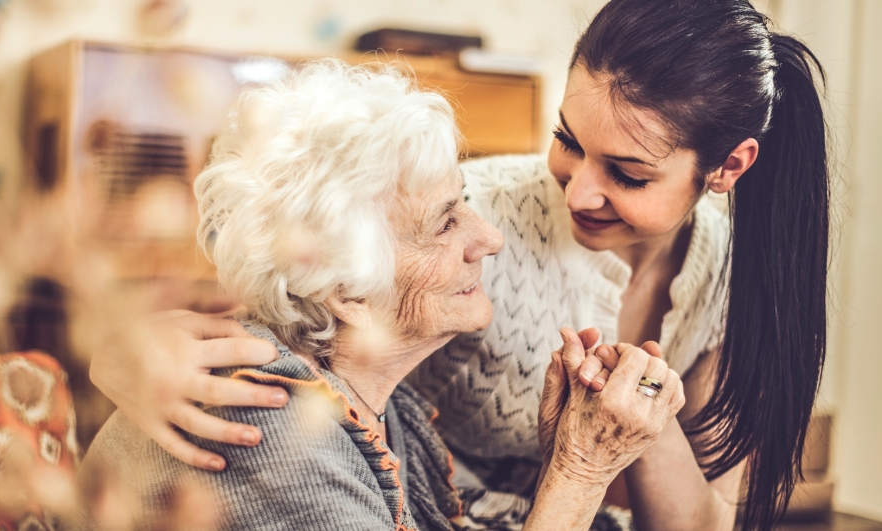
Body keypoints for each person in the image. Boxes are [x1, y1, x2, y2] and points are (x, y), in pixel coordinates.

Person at [89, 0, 831, 529]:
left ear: (726, 169)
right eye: (566, 140)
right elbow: (287, 294)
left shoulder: (393, 412)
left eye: (628, 173)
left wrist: (625, 425)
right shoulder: (293, 426)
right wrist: (113, 355)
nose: (575, 189)